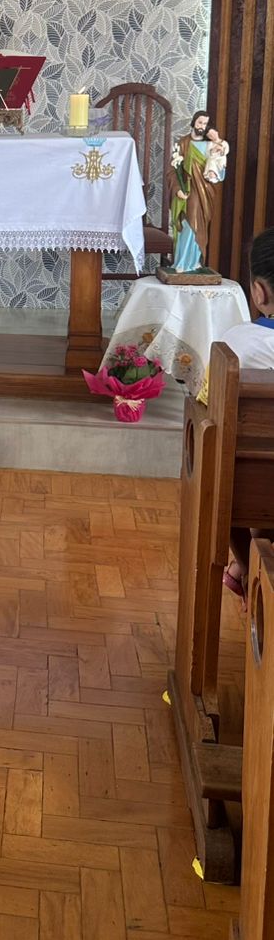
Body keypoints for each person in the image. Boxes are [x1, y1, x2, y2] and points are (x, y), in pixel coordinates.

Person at [219, 227, 274, 602]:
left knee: (228, 472)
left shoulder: (236, 343)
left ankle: (247, 567)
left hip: (251, 486)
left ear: (258, 292)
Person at [168, 109, 226, 272]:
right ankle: (182, 262)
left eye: (205, 124)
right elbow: (172, 170)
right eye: (200, 122)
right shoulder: (183, 143)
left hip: (205, 192)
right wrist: (177, 189)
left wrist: (216, 170)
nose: (202, 126)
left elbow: (220, 165)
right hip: (189, 190)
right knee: (188, 224)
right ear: (194, 122)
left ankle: (194, 262)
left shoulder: (211, 144)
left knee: (200, 226)